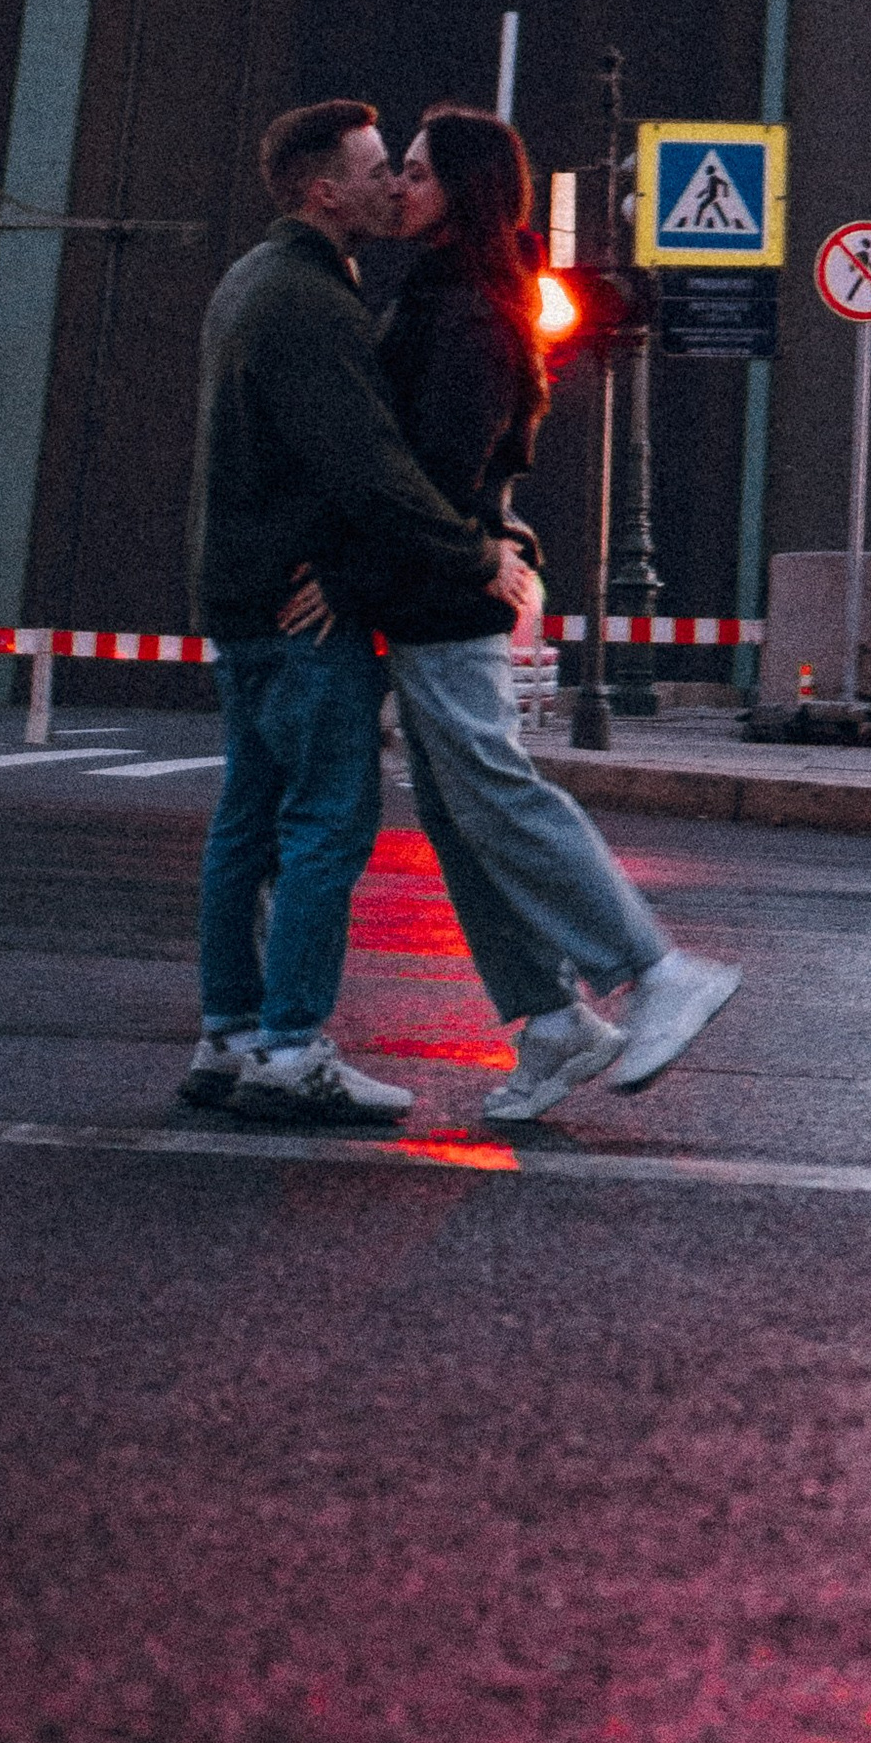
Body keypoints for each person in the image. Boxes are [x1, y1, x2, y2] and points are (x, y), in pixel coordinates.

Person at [354, 105, 741, 1125]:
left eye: (419, 172)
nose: (401, 186)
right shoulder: (448, 296)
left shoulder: (468, 315)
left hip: (445, 594)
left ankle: (655, 969)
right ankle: (553, 1019)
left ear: (464, 192)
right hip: (433, 587)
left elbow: (442, 473)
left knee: (494, 788)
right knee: (457, 812)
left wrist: (463, 546)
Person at [184, 97, 540, 1128]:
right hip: (304, 610)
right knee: (326, 825)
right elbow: (372, 469)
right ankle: (292, 1052)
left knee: (246, 823)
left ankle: (229, 1034)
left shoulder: (252, 279)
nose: (393, 184)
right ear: (324, 191)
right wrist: (475, 554)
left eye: (403, 168)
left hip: (241, 595)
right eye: (378, 168)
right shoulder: (313, 301)